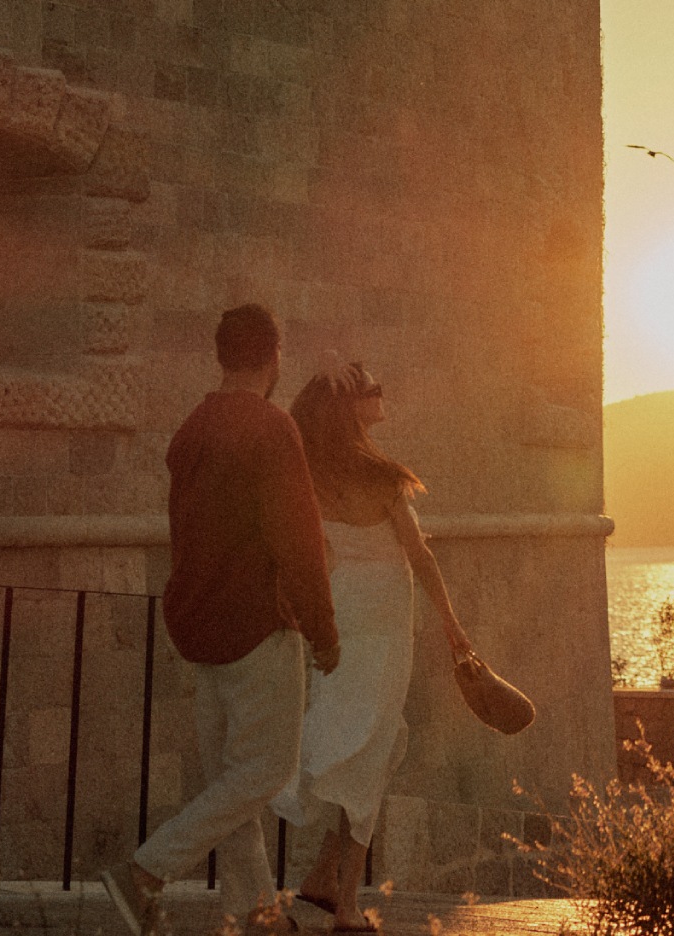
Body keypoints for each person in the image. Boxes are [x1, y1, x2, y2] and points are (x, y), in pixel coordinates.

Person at [101, 304, 341, 936]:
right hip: (257, 626)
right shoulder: (271, 428)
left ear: (221, 355)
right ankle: (144, 873)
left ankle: (258, 916)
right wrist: (324, 631)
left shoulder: (192, 429)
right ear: (274, 355)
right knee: (263, 774)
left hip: (199, 628)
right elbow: (300, 542)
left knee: (231, 785)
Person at [273, 359, 472, 932]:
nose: (382, 394)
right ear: (350, 408)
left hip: (341, 618)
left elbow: (313, 554)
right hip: (383, 627)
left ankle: (321, 878)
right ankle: (346, 905)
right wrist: (453, 627)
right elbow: (421, 558)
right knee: (374, 752)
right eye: (371, 389)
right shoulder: (383, 479)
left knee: (365, 746)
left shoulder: (311, 477)